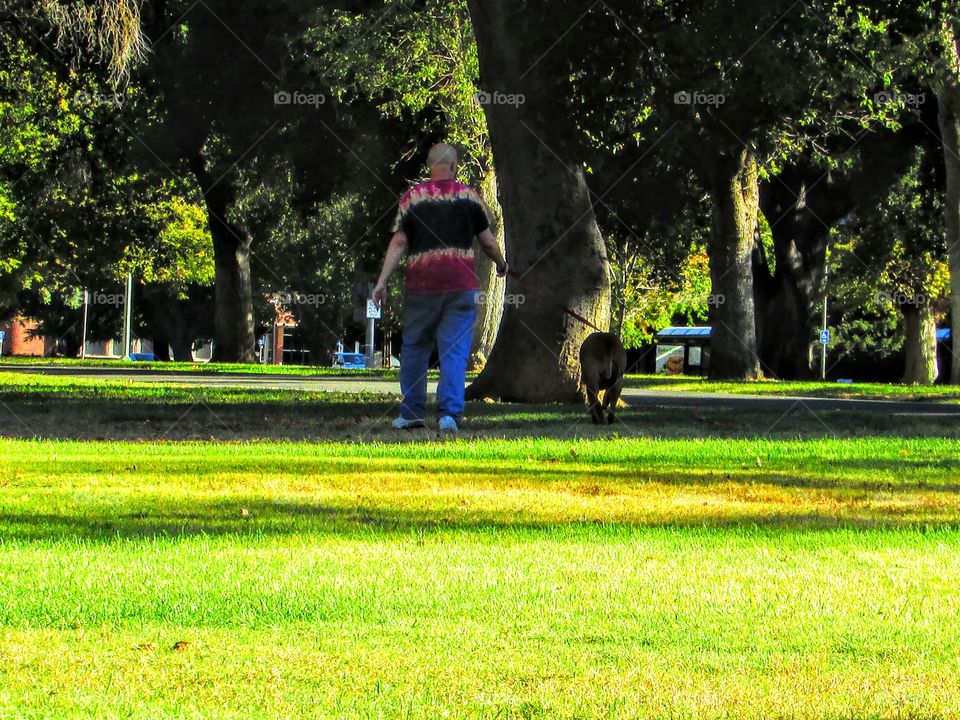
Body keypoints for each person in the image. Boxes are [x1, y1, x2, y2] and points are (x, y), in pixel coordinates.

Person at [372, 143, 507, 433]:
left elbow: (399, 241)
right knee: (454, 352)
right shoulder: (470, 197)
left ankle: (411, 413)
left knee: (415, 348)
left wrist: (382, 281)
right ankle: (449, 415)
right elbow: (487, 241)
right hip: (461, 287)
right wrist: (501, 263)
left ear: (429, 165)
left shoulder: (413, 198)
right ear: (454, 166)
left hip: (422, 287)